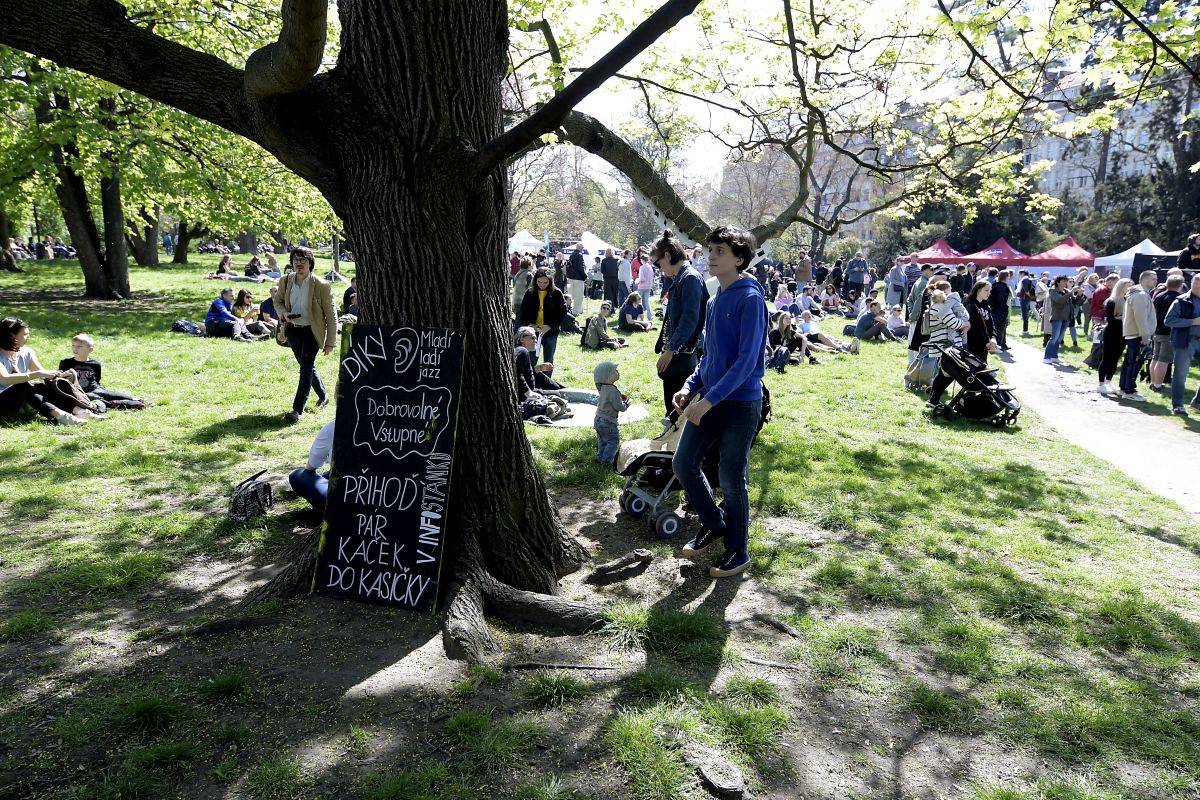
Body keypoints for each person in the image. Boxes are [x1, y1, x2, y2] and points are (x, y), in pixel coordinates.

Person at [675, 225, 768, 580]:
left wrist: (710, 398)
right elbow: (708, 357)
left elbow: (746, 363)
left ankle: (738, 550)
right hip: (707, 401)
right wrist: (689, 386)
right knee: (683, 464)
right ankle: (714, 524)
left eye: (720, 252)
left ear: (739, 259)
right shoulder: (714, 300)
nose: (710, 257)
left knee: (731, 478)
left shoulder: (750, 298)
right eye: (709, 250)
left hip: (740, 405)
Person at [275, 246, 337, 421]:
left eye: (303, 260)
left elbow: (331, 316)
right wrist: (284, 314)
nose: (299, 264)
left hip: (312, 331)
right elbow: (277, 302)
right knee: (306, 366)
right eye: (295, 260)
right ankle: (323, 396)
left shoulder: (322, 285)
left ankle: (297, 410)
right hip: (293, 330)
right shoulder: (285, 281)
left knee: (305, 369)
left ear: (310, 263)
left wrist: (330, 342)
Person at [0, 318, 96, 425]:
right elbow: (4, 379)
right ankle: (61, 416)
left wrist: (59, 376)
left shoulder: (27, 352)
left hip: (24, 398)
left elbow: (42, 373)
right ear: (12, 335)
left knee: (43, 385)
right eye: (25, 334)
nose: (29, 337)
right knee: (22, 384)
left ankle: (79, 411)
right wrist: (38, 374)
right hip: (3, 402)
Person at [58, 334, 145, 410]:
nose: (75, 349)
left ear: (90, 349)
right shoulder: (66, 363)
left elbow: (97, 380)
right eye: (73, 345)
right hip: (79, 392)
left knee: (111, 394)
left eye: (79, 347)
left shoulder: (95, 364)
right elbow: (61, 381)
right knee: (94, 398)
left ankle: (136, 400)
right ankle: (127, 404)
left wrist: (99, 389)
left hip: (95, 389)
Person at [1117, 269, 1157, 401]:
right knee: (1134, 362)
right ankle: (1129, 390)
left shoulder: (1140, 293)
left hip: (1135, 333)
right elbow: (1140, 317)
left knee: (1130, 361)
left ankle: (1124, 388)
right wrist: (1145, 335)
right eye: (1153, 278)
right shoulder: (1140, 295)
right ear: (1145, 279)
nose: (1156, 281)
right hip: (1137, 334)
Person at [1163, 274, 1200, 414]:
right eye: (1195, 283)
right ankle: (1178, 405)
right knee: (1180, 375)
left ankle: (1197, 403)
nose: (1198, 287)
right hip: (1186, 341)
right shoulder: (1181, 300)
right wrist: (1192, 322)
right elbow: (1169, 321)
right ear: (1191, 284)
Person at [519, 268, 567, 365]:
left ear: (550, 281)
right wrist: (529, 326)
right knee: (531, 359)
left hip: (550, 332)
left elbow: (562, 312)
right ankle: (532, 379)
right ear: (535, 280)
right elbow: (523, 311)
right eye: (539, 282)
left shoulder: (556, 293)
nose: (542, 285)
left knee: (548, 360)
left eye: (546, 282)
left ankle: (546, 378)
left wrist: (550, 325)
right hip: (533, 331)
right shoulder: (530, 293)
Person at [1149, 275, 1185, 392]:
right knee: (1163, 360)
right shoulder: (1180, 298)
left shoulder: (1159, 295)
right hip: (1169, 332)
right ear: (1180, 285)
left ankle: (1153, 382)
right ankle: (1158, 385)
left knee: (1155, 357)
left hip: (1157, 330)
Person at [289, 420, 334, 513]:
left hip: (344, 497)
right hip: (369, 491)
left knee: (297, 475)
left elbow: (312, 466)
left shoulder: (333, 427)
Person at [1097, 278, 1131, 396]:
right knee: (1107, 358)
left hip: (1122, 333)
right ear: (1121, 287)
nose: (1130, 288)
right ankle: (1101, 384)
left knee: (1116, 358)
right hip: (1111, 333)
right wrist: (1123, 319)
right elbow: (1111, 319)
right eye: (1128, 285)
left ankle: (1109, 381)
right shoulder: (1112, 301)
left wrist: (1122, 318)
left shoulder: (1127, 300)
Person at [965, 280, 1000, 362]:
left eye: (990, 291)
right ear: (978, 290)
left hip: (985, 344)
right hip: (973, 343)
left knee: (982, 366)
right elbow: (974, 326)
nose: (989, 293)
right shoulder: (970, 305)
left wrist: (993, 337)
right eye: (986, 290)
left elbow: (991, 323)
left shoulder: (985, 305)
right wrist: (986, 342)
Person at [1043, 276, 1072, 365]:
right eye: (1063, 281)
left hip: (1066, 317)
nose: (1065, 283)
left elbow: (1076, 302)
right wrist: (1071, 293)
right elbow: (1059, 300)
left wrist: (1079, 295)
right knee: (1054, 338)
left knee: (1059, 339)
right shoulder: (1053, 291)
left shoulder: (1066, 291)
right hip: (1057, 317)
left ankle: (1054, 356)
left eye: (1066, 281)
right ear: (1058, 282)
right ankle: (1047, 357)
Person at [989, 269, 1012, 350]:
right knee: (1000, 328)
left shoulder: (996, 284)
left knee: (1001, 328)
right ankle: (998, 346)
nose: (1010, 277)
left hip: (996, 309)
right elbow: (1001, 300)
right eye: (1009, 275)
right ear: (1006, 276)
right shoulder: (1002, 286)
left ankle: (1003, 344)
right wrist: (1004, 309)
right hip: (999, 310)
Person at [511, 256, 533, 333]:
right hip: (524, 301)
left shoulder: (517, 274)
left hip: (516, 300)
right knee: (521, 322)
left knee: (518, 320)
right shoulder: (529, 275)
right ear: (529, 265)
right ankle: (516, 337)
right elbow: (531, 289)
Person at [566, 247, 587, 312]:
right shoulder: (580, 255)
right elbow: (580, 268)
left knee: (570, 294)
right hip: (578, 278)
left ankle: (569, 308)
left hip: (570, 277)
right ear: (580, 248)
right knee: (579, 296)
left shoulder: (571, 255)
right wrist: (585, 276)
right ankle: (576, 311)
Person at [1017, 270, 1037, 334]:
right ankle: (1025, 329)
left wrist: (1031, 297)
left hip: (1025, 299)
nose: (1018, 275)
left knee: (1025, 315)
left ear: (1022, 273)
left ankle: (1025, 330)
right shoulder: (1028, 279)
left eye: (1019, 274)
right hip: (1026, 298)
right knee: (1025, 314)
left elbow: (1026, 291)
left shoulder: (1024, 280)